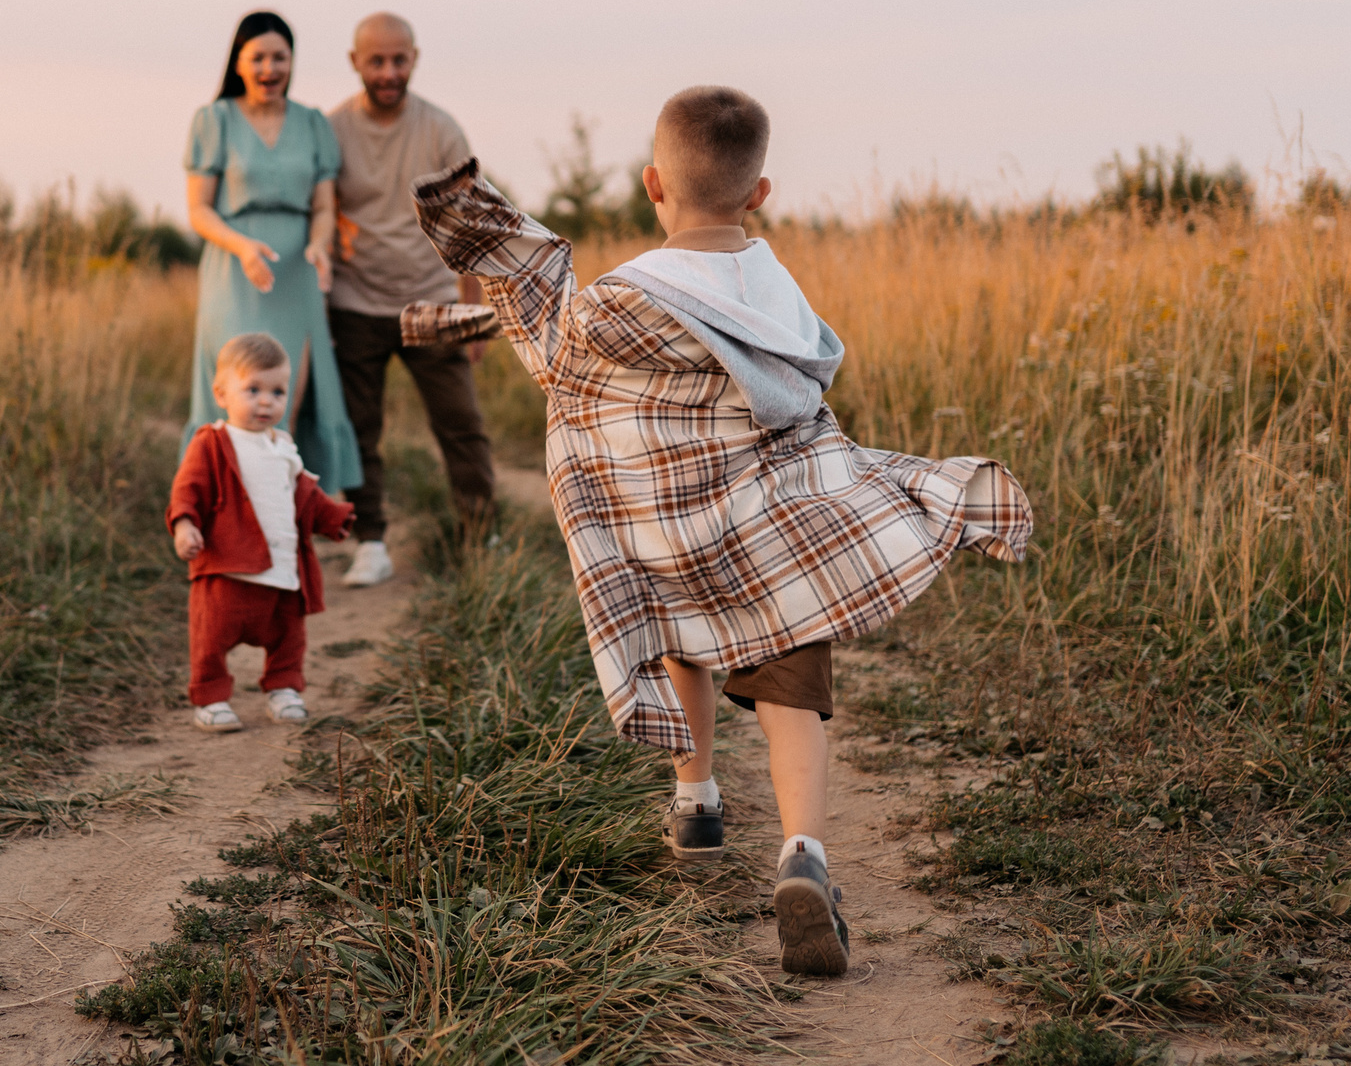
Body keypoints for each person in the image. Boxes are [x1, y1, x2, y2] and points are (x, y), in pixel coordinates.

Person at [405, 87, 1032, 976]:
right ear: (761, 192)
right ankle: (803, 855)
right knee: (793, 686)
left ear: (653, 184)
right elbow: (802, 390)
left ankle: (695, 800)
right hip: (777, 537)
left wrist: (496, 279)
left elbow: (558, 355)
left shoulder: (622, 299)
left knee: (681, 635)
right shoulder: (778, 294)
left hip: (671, 537)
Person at [325, 13, 497, 586]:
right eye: (376, 60)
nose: (389, 71)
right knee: (360, 426)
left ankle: (480, 536)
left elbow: (468, 227)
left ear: (414, 59)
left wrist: (472, 314)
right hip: (355, 301)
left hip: (431, 304)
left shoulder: (442, 130)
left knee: (461, 424)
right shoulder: (333, 130)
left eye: (399, 60)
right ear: (356, 62)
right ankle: (369, 540)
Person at [183, 12, 363, 494]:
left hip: (296, 275)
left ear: (292, 62)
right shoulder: (214, 120)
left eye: (279, 57)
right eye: (257, 57)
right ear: (238, 64)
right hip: (234, 270)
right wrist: (243, 247)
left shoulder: (312, 124)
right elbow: (199, 210)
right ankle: (218, 509)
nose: (269, 68)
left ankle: (282, 512)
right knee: (235, 396)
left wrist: (319, 246)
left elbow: (324, 207)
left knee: (284, 399)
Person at [168, 332, 356, 732]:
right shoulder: (213, 443)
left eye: (278, 391)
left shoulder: (283, 444)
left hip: (283, 572)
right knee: (211, 638)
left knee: (289, 636)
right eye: (252, 389)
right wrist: (185, 524)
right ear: (221, 393)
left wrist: (333, 517)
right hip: (228, 570)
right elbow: (188, 487)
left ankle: (284, 688)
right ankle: (212, 696)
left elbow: (304, 492)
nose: (267, 401)